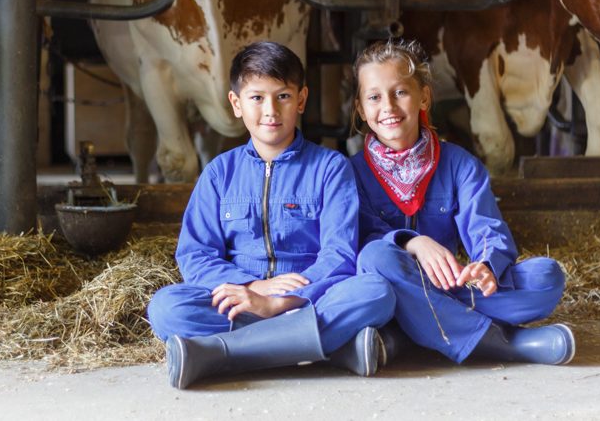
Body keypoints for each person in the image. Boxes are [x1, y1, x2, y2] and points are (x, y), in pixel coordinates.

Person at [147, 41, 395, 389]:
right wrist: (253, 289)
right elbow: (195, 255)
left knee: (375, 292)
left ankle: (218, 353)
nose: (271, 110)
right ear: (236, 104)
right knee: (165, 307)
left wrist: (277, 303)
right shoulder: (219, 173)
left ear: (301, 100)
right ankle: (330, 348)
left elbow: (339, 254)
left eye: (283, 96)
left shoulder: (330, 168)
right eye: (256, 97)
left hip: (307, 300)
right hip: (241, 302)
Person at [350, 38, 574, 367]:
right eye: (374, 97)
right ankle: (504, 344)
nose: (388, 106)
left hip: (449, 288)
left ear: (424, 97)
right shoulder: (349, 173)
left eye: (400, 92)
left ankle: (407, 334)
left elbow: (488, 229)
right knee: (376, 256)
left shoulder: (460, 165)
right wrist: (412, 243)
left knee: (546, 278)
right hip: (387, 287)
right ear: (360, 109)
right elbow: (358, 242)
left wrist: (486, 266)